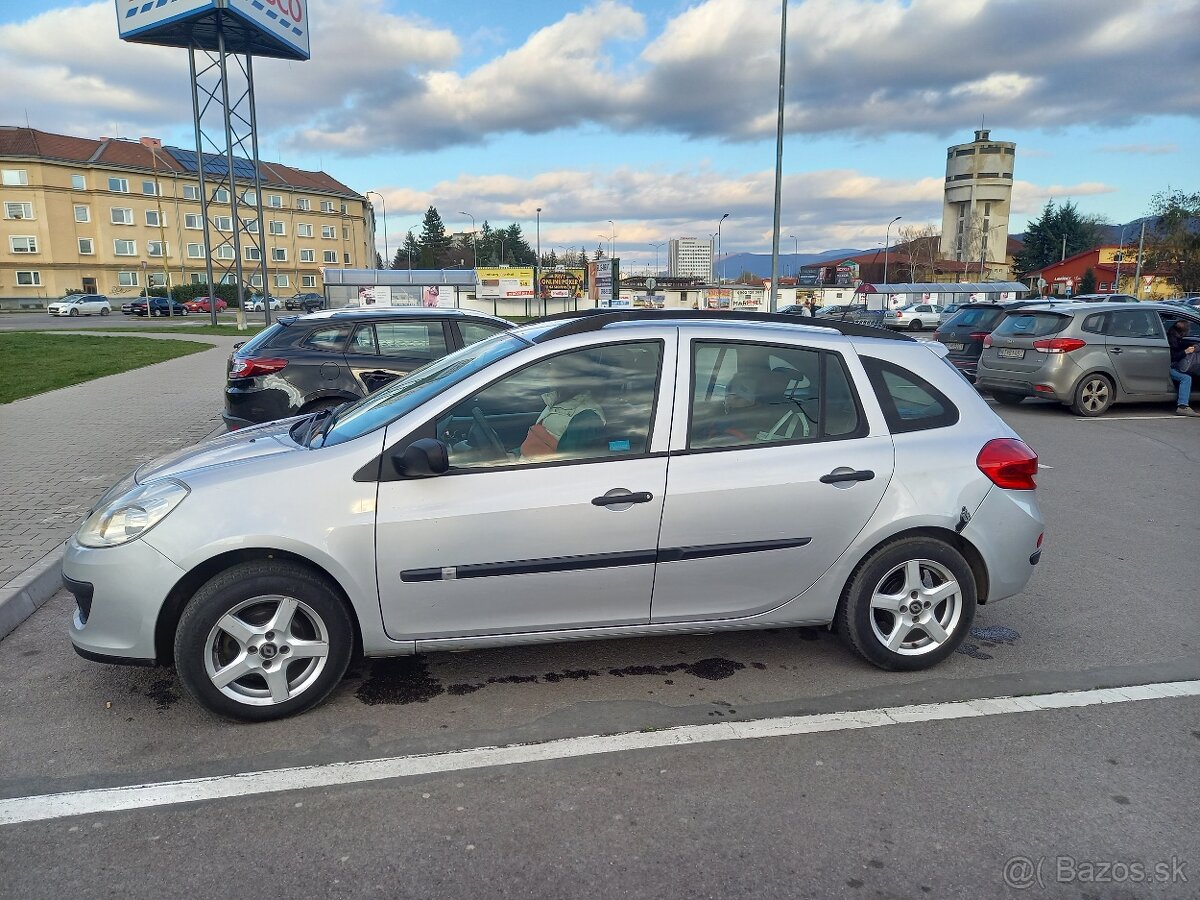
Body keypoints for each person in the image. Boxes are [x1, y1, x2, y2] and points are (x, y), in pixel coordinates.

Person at [1167, 320, 1198, 416]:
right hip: (1168, 367)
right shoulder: (1172, 339)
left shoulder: (1173, 336)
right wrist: (1186, 351)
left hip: (1169, 365)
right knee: (1186, 378)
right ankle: (1182, 406)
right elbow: (1173, 356)